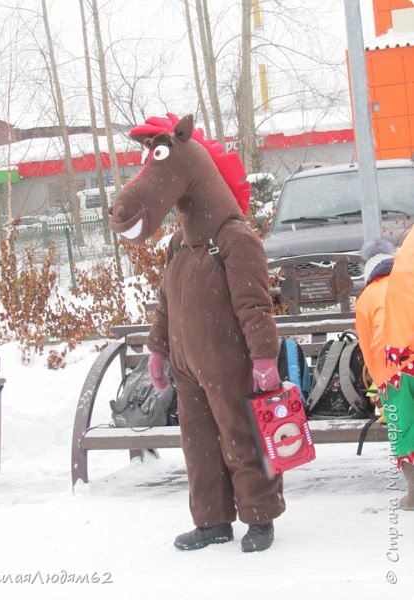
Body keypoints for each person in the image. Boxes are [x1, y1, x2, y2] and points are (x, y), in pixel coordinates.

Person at [109, 113, 285, 552]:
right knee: (198, 443)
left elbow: (255, 306)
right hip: (187, 366)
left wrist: (263, 359)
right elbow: (166, 304)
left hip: (230, 362)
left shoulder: (234, 239)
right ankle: (211, 520)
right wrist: (158, 349)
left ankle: (259, 517)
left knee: (240, 435)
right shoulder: (178, 245)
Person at [355, 234, 414, 510]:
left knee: (402, 428)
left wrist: (379, 385)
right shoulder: (407, 281)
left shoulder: (366, 298)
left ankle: (413, 492)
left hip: (393, 372)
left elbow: (369, 348)